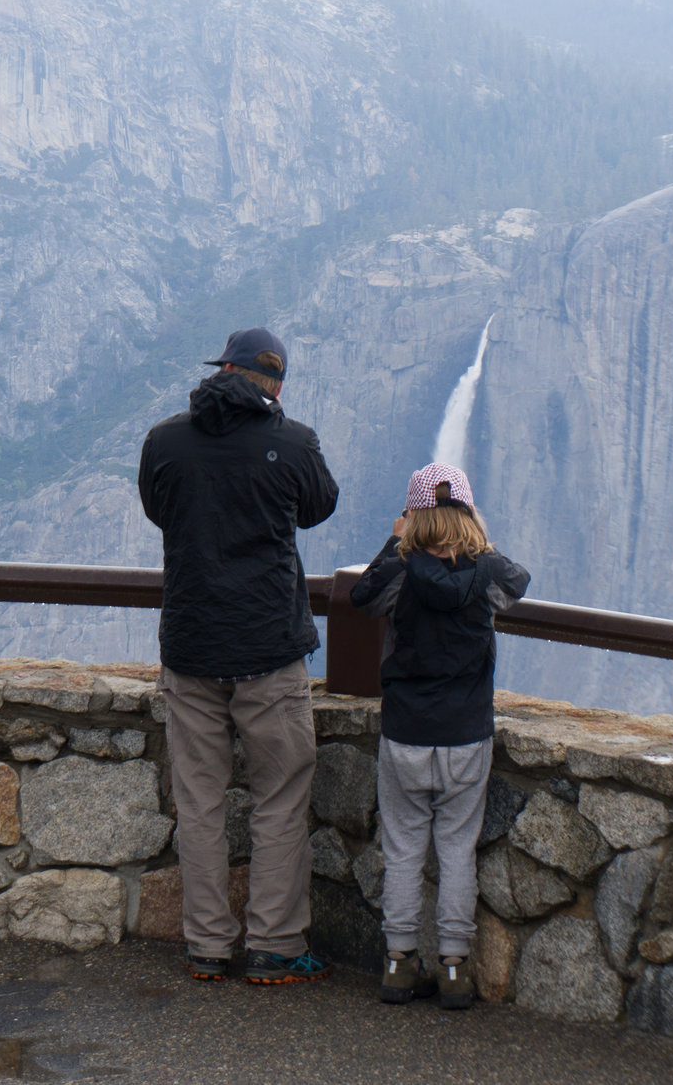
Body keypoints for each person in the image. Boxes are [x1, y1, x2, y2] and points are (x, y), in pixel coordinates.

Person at [138, 327, 339, 985]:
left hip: (191, 644)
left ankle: (207, 945)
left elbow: (156, 507)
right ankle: (276, 944)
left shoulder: (166, 440)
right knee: (279, 795)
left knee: (198, 799)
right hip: (270, 648)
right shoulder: (292, 441)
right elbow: (320, 505)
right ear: (275, 384)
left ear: (221, 368)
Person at [351, 462, 529, 1010]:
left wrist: (396, 537)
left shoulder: (400, 575)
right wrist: (478, 533)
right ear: (468, 513)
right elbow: (517, 579)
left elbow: (361, 596)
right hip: (465, 734)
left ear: (414, 514)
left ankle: (400, 963)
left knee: (403, 852)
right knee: (456, 850)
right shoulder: (487, 577)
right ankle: (454, 968)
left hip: (406, 732)